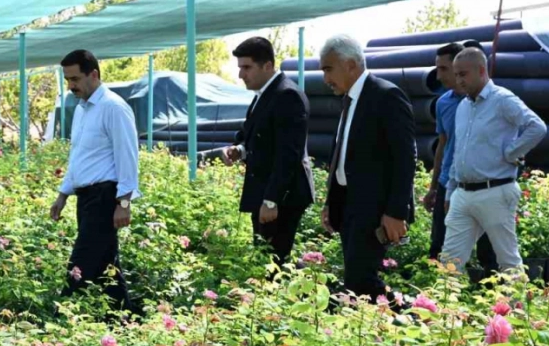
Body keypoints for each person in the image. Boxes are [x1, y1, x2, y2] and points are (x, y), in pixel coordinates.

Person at [320, 34, 417, 299]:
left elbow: (405, 157)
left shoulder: (386, 96)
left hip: (375, 209)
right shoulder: (349, 100)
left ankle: (413, 316)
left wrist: (396, 211)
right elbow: (342, 154)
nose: (325, 78)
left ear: (350, 64)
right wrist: (331, 202)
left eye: (328, 69)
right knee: (357, 279)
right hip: (350, 206)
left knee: (360, 280)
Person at [204, 36, 314, 266]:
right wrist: (239, 150)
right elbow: (256, 138)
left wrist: (272, 200)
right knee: (267, 258)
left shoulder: (286, 96)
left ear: (268, 66)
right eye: (240, 68)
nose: (241, 74)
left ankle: (301, 297)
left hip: (282, 196)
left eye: (247, 67)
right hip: (268, 192)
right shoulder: (265, 95)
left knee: (275, 262)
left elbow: (288, 154)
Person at [49, 50, 140, 313]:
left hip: (104, 197)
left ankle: (61, 318)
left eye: (75, 78)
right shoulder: (81, 109)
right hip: (86, 197)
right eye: (67, 79)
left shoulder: (113, 107)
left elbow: (127, 155)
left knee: (81, 264)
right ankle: (125, 321)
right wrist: (63, 194)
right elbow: (79, 156)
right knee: (106, 269)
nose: (71, 85)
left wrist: (124, 202)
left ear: (94, 74)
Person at [441, 48, 547, 272]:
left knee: (508, 261)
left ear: (481, 70)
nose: (459, 80)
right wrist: (451, 192)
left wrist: (511, 152)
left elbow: (536, 127)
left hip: (495, 190)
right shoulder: (463, 106)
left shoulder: (502, 99)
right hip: (463, 193)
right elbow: (458, 151)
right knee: (449, 263)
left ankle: (517, 306)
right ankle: (445, 307)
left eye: (463, 74)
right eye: (456, 74)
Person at [422, 42, 498, 270]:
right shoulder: (443, 103)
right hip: (449, 182)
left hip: (482, 184)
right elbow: (443, 145)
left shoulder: (489, 100)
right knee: (439, 245)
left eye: (444, 69)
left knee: (488, 250)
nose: (439, 74)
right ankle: (439, 296)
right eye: (437, 68)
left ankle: (493, 298)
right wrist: (434, 187)